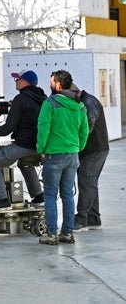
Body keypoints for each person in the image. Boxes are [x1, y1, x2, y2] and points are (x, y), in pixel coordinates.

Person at [0, 69, 46, 211]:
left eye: (18, 79)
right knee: (25, 163)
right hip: (40, 146)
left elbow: (8, 128)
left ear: (25, 82)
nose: (15, 81)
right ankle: (39, 196)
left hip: (23, 145)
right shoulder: (43, 98)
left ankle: (0, 200)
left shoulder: (20, 99)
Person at [36, 70, 89, 245]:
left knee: (50, 195)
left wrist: (41, 149)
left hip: (54, 155)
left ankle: (52, 234)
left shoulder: (50, 103)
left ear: (58, 84)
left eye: (51, 82)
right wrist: (77, 147)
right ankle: (67, 233)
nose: (50, 85)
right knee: (67, 194)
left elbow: (43, 128)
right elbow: (84, 131)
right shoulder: (80, 106)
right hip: (72, 155)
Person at [70, 83, 109, 231]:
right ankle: (93, 218)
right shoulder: (84, 101)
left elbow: (87, 127)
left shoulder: (88, 102)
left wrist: (74, 143)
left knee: (86, 182)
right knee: (90, 182)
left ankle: (81, 219)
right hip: (90, 149)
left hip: (95, 149)